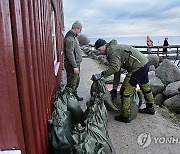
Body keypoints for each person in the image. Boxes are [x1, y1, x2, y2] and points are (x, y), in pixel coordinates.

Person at [92, 39, 155, 123]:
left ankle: (126, 116)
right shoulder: (114, 49)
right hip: (144, 63)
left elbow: (115, 68)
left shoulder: (112, 51)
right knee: (145, 87)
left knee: (125, 92)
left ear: (104, 45)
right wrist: (114, 87)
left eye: (99, 50)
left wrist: (101, 75)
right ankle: (150, 108)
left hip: (137, 67)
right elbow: (117, 70)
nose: (99, 52)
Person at [64, 20, 83, 101]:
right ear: (76, 28)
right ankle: (68, 100)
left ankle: (74, 96)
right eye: (80, 30)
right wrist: (75, 66)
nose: (80, 32)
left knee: (76, 81)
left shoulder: (73, 37)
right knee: (71, 83)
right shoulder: (70, 38)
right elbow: (69, 53)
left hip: (76, 64)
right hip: (72, 65)